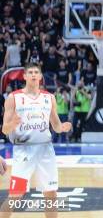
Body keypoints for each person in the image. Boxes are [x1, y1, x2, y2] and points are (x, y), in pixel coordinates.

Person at [1, 63, 71, 217]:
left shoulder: (49, 98)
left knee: (51, 194)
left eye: (36, 72)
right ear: (24, 76)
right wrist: (11, 124)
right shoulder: (14, 98)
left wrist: (62, 127)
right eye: (30, 72)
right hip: (24, 151)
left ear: (40, 77)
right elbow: (4, 129)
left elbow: (56, 125)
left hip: (46, 150)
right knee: (16, 194)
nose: (33, 75)